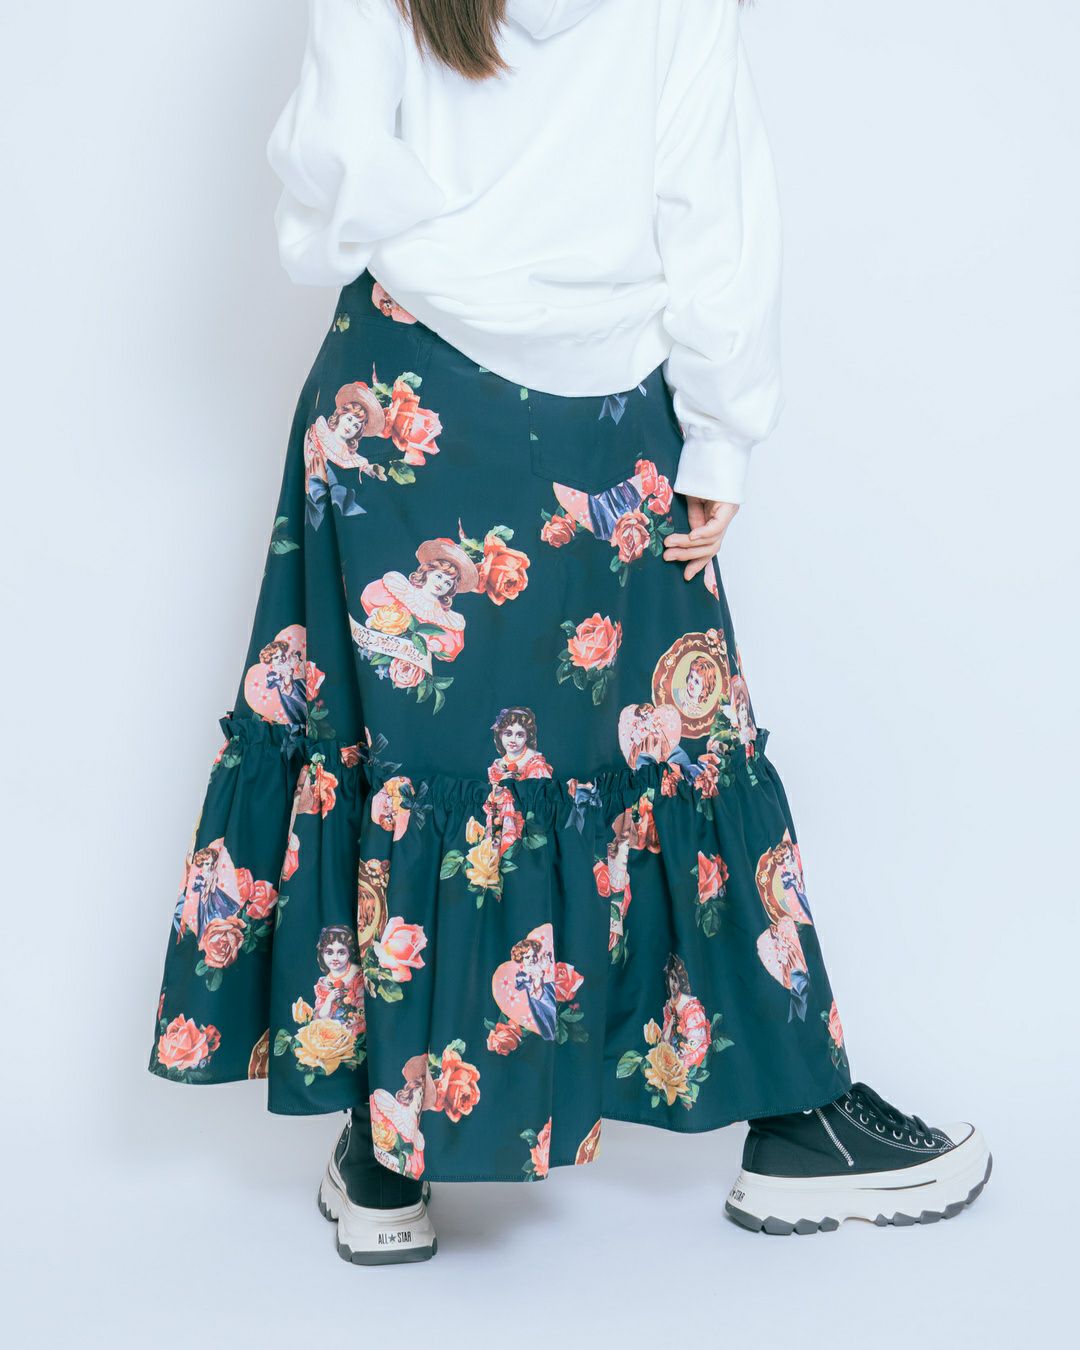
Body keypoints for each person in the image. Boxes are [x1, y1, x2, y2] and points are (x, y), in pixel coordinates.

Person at [148, 0, 991, 1265]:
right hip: (605, 411)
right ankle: (796, 1123)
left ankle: (386, 1160)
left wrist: (459, 245)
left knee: (404, 765)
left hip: (405, 389)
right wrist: (721, 429)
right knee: (680, 746)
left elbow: (332, 159)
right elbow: (710, 196)